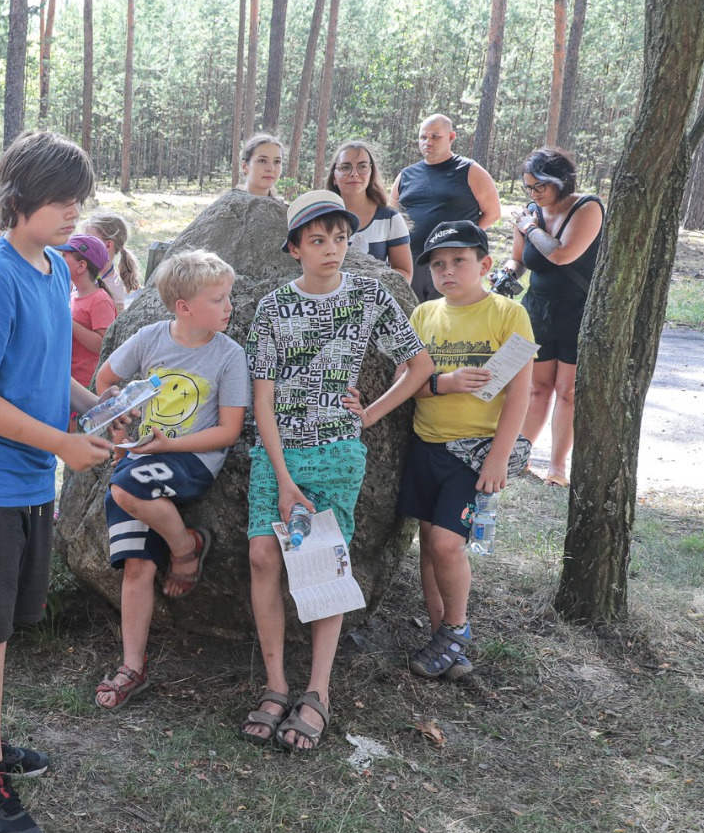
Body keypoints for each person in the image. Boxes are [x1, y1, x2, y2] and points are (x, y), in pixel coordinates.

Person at [0, 131, 113, 833]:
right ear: (19, 201)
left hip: (26, 477)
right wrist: (65, 444)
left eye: (78, 201)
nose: (75, 214)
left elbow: (34, 374)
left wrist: (93, 407)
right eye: (63, 201)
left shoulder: (48, 270)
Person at [240, 190, 434, 753]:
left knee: (323, 564)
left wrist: (370, 413)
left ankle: (317, 692)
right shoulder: (274, 307)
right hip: (278, 453)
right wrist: (282, 479)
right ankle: (276, 684)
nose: (331, 249)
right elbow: (263, 400)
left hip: (336, 451)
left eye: (341, 239)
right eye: (318, 240)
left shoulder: (369, 297)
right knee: (261, 554)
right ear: (295, 248)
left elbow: (418, 364)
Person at [91, 250, 249, 710]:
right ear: (183, 307)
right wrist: (119, 413)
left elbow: (229, 431)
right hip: (145, 459)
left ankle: (185, 549)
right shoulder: (149, 338)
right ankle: (132, 665)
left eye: (228, 297)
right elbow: (105, 379)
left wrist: (166, 445)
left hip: (192, 461)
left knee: (123, 487)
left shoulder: (229, 355)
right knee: (137, 566)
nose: (229, 307)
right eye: (218, 299)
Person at [398, 220, 534, 679]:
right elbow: (407, 384)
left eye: (459, 260)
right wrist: (445, 382)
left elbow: (519, 392)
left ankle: (456, 629)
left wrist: (498, 456)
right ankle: (445, 643)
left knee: (446, 544)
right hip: (425, 446)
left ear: (485, 264)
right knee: (429, 547)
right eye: (438, 264)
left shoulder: (507, 314)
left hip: (473, 454)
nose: (448, 271)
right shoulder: (424, 315)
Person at [500, 147, 603, 487]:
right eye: (528, 187)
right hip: (538, 308)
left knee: (568, 389)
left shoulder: (587, 207)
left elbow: (561, 254)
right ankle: (521, 457)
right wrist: (507, 271)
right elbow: (519, 258)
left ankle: (557, 468)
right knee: (536, 387)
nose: (533, 194)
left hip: (577, 309)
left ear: (560, 181)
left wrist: (529, 227)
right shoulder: (533, 212)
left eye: (538, 187)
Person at [390, 114, 502, 302]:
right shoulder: (406, 175)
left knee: (449, 323)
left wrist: (462, 238)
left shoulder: (470, 170)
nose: (428, 142)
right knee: (411, 321)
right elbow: (390, 215)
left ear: (451, 137)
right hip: (410, 262)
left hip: (451, 266)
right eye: (423, 137)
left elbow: (493, 213)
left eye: (435, 136)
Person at [326, 140, 412, 282]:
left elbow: (404, 273)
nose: (354, 174)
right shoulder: (320, 217)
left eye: (362, 167)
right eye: (345, 167)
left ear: (371, 174)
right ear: (334, 177)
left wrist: (369, 291)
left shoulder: (389, 218)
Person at [57, 233, 117, 389]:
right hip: (67, 378)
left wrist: (68, 322)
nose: (59, 260)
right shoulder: (72, 295)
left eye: (64, 256)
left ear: (81, 266)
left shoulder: (100, 300)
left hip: (86, 383)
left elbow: (103, 344)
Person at [81, 210, 142, 305]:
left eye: (89, 239)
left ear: (108, 245)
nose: (81, 245)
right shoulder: (85, 273)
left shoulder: (113, 289)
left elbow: (112, 320)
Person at [238, 134, 284, 198]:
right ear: (244, 166)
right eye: (262, 161)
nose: (271, 168)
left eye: (277, 161)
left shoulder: (287, 208)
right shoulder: (227, 205)